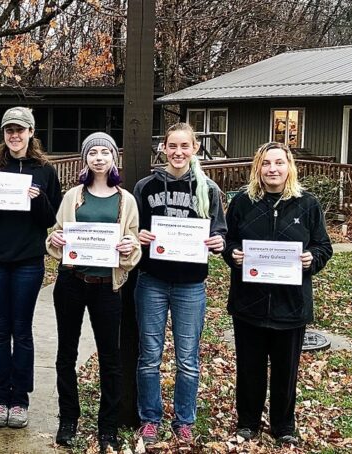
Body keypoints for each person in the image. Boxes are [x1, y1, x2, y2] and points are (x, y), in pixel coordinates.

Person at [222, 142, 332, 446]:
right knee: (249, 367)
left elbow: (324, 246)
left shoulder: (307, 204)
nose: (273, 169)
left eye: (279, 163)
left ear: (289, 166)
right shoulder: (243, 203)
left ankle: (284, 425)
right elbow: (228, 241)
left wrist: (313, 259)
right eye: (266, 163)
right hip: (249, 302)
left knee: (286, 371)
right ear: (258, 168)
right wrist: (234, 254)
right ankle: (248, 422)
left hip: (291, 305)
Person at [132, 123, 227, 446]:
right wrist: (138, 236)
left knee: (187, 358)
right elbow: (132, 228)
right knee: (149, 356)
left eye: (184, 146)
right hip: (152, 281)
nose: (178, 152)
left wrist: (218, 242)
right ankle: (150, 418)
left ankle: (184, 420)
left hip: (190, 285)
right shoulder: (145, 186)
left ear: (195, 148)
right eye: (172, 146)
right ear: (163, 148)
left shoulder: (208, 189)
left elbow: (221, 231)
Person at [46, 132, 141, 451]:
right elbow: (56, 236)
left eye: (105, 152)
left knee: (111, 358)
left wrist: (129, 246)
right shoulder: (73, 196)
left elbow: (134, 244)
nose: (98, 157)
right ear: (85, 159)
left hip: (107, 287)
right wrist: (55, 242)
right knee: (66, 354)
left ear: (114, 158)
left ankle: (108, 427)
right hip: (72, 283)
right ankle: (68, 419)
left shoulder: (126, 200)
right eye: (92, 152)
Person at [0, 107, 62, 429]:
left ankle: (19, 399)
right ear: (3, 134)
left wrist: (37, 199)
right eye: (9, 130)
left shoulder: (45, 171)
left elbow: (50, 220)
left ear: (30, 133)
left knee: (21, 331)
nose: (15, 135)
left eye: (20, 130)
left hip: (28, 261)